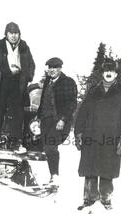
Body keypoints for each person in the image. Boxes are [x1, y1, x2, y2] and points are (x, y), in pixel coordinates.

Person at [74, 57, 121, 210]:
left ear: (116, 74)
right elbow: (82, 113)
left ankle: (106, 200)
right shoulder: (93, 91)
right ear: (102, 73)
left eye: (111, 71)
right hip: (91, 136)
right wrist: (78, 132)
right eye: (106, 71)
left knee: (107, 170)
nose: (108, 73)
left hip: (111, 138)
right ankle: (89, 199)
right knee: (90, 169)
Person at [0, 22, 35, 152]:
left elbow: (31, 66)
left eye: (16, 33)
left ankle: (15, 143)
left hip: (17, 85)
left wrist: (26, 76)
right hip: (0, 85)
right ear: (6, 34)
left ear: (19, 34)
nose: (13, 36)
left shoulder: (24, 48)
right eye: (11, 33)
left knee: (16, 115)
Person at [37, 57, 77, 186]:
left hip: (59, 122)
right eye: (50, 67)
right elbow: (43, 102)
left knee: (50, 145)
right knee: (45, 147)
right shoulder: (48, 82)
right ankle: (51, 176)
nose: (52, 70)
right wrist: (38, 117)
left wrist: (63, 119)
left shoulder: (68, 82)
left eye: (55, 67)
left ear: (60, 68)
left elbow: (72, 104)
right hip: (46, 120)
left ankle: (55, 176)